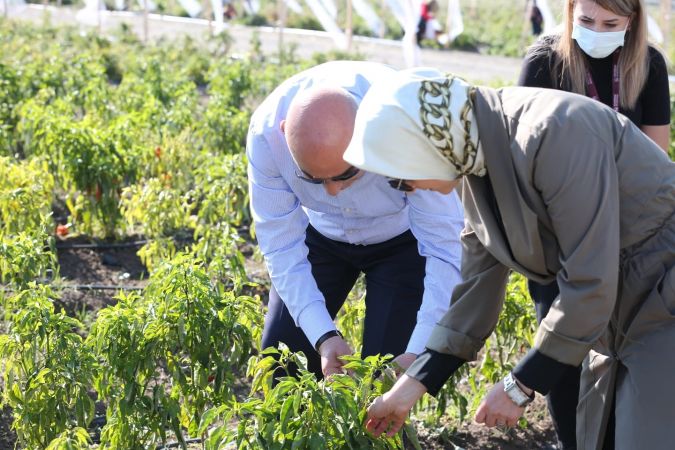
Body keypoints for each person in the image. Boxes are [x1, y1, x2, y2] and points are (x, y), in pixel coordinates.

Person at [342, 68, 674, 450]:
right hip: (615, 311)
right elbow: (475, 289)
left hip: (662, 293)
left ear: (429, 143)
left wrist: (520, 385)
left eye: (400, 178)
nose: (408, 189)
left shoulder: (554, 133)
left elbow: (590, 281)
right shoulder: (474, 159)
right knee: (600, 436)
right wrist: (409, 388)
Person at [247, 61, 464, 381]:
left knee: (385, 379)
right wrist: (323, 336)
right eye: (313, 179)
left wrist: (417, 352)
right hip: (319, 236)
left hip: (402, 242)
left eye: (346, 173)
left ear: (369, 132)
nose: (333, 192)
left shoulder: (409, 127)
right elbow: (280, 244)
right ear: (285, 134)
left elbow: (446, 249)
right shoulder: (266, 136)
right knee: (282, 363)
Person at [518, 2, 670, 447]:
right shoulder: (544, 62)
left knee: (627, 362)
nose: (596, 32)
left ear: (632, 22)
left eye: (611, 25)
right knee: (562, 359)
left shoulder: (649, 65)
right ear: (569, 12)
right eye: (585, 21)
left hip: (630, 243)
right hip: (560, 242)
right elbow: (524, 158)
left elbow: (657, 166)